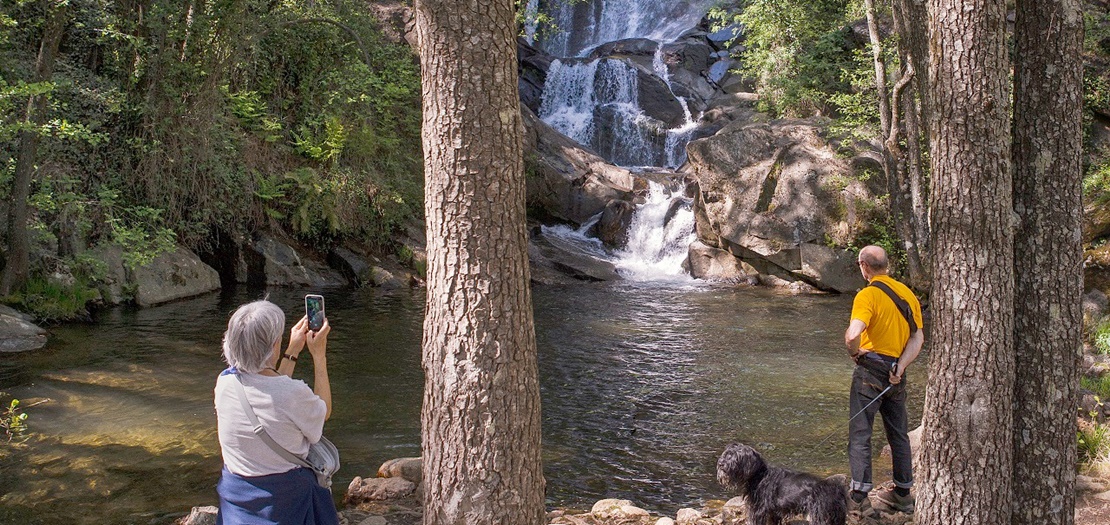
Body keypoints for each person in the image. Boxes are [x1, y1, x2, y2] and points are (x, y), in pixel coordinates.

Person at [214, 300, 337, 525]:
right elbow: (323, 411)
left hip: (238, 501)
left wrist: (292, 351)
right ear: (273, 345)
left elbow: (271, 387)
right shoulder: (293, 393)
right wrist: (319, 356)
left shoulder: (225, 382)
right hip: (284, 502)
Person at [843, 245, 924, 514]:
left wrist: (854, 352)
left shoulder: (867, 295)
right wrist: (900, 367)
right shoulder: (907, 294)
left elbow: (854, 333)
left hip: (870, 370)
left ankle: (859, 497)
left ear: (864, 266)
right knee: (898, 434)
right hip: (896, 374)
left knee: (860, 433)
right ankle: (903, 493)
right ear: (886, 265)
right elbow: (918, 337)